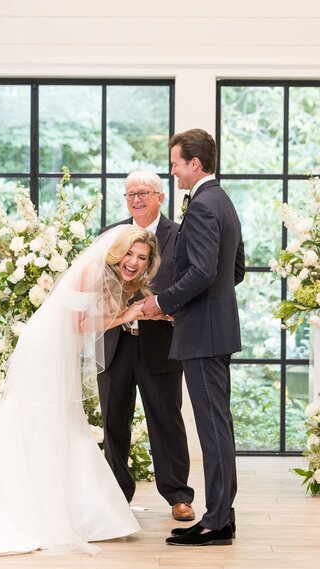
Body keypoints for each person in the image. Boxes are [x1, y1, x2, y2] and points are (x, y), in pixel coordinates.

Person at [0, 225, 160, 562]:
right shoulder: (93, 268)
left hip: (60, 348)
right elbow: (79, 323)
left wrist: (143, 311)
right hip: (46, 348)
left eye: (142, 258)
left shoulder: (117, 277)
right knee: (38, 422)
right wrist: (128, 314)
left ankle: (83, 511)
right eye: (130, 254)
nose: (134, 262)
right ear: (117, 251)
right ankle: (31, 507)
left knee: (62, 425)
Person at [139, 129, 245, 546]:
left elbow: (202, 272)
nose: (173, 171)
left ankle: (216, 523)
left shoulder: (202, 206)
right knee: (219, 426)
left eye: (176, 164)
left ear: (194, 164)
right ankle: (223, 515)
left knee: (213, 428)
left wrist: (162, 301)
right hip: (217, 329)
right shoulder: (223, 202)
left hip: (202, 333)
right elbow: (233, 270)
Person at [97, 170, 194, 521]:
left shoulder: (180, 234)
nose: (136, 199)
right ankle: (116, 497)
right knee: (114, 422)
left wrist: (171, 309)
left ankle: (178, 496)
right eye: (130, 194)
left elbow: (191, 282)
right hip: (115, 342)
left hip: (162, 343)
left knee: (166, 420)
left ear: (160, 197)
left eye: (144, 192)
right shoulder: (111, 235)